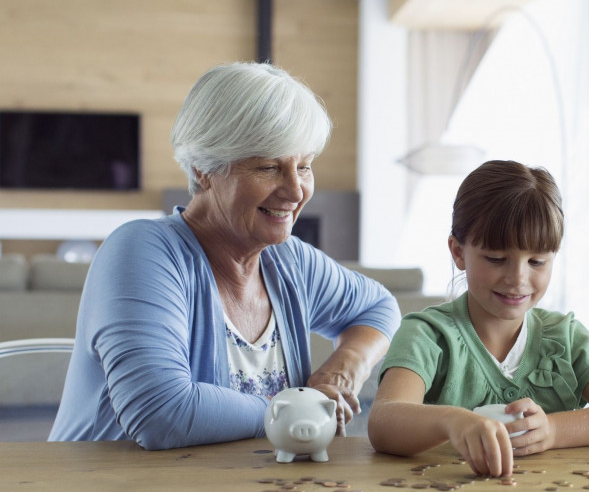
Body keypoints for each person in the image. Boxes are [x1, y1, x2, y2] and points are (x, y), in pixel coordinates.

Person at [49, 62, 401, 449]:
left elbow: (378, 309)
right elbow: (159, 413)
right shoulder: (141, 252)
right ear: (204, 169)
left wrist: (341, 372)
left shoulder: (290, 262)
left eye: (304, 166)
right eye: (268, 167)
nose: (296, 190)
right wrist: (293, 408)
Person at [368, 160, 589, 477]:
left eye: (537, 261)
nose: (518, 278)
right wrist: (453, 421)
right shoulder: (427, 335)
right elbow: (384, 421)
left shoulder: (564, 337)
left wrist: (553, 430)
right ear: (458, 252)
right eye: (496, 259)